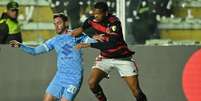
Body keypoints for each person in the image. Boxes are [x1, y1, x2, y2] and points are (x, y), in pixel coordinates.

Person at [9, 13, 95, 101]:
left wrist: (99, 38)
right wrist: (21, 45)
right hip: (60, 77)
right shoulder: (54, 41)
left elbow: (92, 40)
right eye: (55, 24)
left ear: (66, 23)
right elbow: (35, 51)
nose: (56, 26)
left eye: (59, 23)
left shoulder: (75, 35)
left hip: (74, 79)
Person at [72, 2, 147, 101]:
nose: (95, 16)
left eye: (98, 13)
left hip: (123, 58)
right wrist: (91, 35)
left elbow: (111, 45)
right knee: (92, 83)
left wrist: (89, 44)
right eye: (94, 13)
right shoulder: (91, 20)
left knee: (136, 92)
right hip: (105, 58)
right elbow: (82, 29)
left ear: (106, 13)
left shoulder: (114, 22)